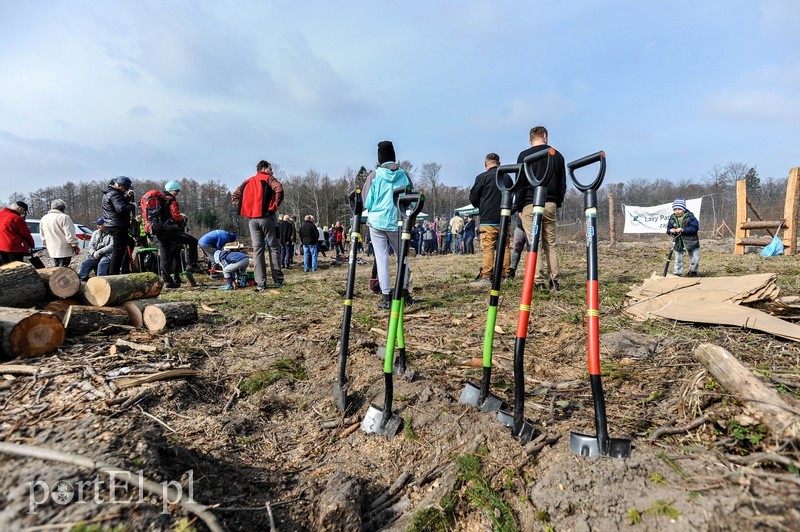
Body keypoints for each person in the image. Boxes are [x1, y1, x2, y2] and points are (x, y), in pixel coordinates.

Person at [515, 125, 567, 291]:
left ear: (531, 140)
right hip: (550, 203)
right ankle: (555, 280)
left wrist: (519, 206)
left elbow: (520, 184)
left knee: (533, 243)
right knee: (551, 243)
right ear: (545, 136)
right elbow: (562, 184)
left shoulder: (524, 156)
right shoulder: (557, 156)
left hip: (530, 203)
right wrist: (557, 202)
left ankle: (538, 281)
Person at [362, 140, 413, 310]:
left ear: (379, 158)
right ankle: (404, 292)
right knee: (402, 257)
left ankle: (386, 296)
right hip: (398, 221)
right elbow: (411, 200)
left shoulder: (374, 176)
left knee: (382, 258)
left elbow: (367, 202)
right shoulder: (404, 175)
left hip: (377, 222)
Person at [232, 160, 285, 290]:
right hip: (267, 217)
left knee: (258, 250)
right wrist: (274, 205)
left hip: (252, 220)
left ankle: (260, 283)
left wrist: (245, 208)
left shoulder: (248, 181)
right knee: (274, 248)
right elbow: (279, 189)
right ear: (264, 168)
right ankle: (278, 280)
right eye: (271, 169)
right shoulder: (269, 179)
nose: (272, 171)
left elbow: (235, 196)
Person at [469, 153, 511, 284]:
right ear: (499, 163)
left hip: (488, 219)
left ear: (485, 164)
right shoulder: (507, 177)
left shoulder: (482, 177)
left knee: (488, 248)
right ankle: (506, 275)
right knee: (504, 247)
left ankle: (487, 275)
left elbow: (473, 197)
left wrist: (480, 204)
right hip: (505, 218)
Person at [153, 181, 202, 288]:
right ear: (170, 190)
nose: (177, 193)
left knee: (165, 257)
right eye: (176, 191)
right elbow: (175, 216)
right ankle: (192, 264)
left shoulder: (159, 200)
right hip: (170, 231)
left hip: (159, 232)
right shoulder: (171, 200)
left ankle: (168, 281)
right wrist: (182, 218)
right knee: (193, 241)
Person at [102, 176, 136, 275]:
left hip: (113, 224)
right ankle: (113, 274)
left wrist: (128, 197)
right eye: (125, 188)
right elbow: (121, 209)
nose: (126, 190)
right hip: (117, 225)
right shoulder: (114, 194)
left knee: (130, 243)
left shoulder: (112, 193)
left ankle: (124, 269)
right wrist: (132, 205)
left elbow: (119, 204)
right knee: (118, 251)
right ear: (118, 185)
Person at [40, 199, 80, 267]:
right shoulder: (64, 217)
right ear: (62, 208)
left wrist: (45, 245)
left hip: (52, 249)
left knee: (57, 268)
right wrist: (75, 245)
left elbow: (42, 235)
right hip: (64, 249)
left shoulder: (44, 218)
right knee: (63, 269)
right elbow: (70, 234)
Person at [666, 198, 700, 277]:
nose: (677, 211)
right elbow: (668, 228)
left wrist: (683, 230)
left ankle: (693, 271)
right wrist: (670, 230)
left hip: (692, 242)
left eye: (679, 209)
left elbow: (695, 228)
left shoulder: (690, 217)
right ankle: (677, 273)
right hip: (678, 242)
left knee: (695, 259)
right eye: (675, 209)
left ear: (684, 209)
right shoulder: (672, 218)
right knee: (678, 259)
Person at [0, 200, 35, 265]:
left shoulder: (1, 214)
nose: (23, 213)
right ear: (20, 209)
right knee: (16, 269)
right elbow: (26, 234)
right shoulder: (16, 218)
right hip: (14, 249)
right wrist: (31, 244)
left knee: (3, 269)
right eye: (23, 211)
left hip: (1, 247)